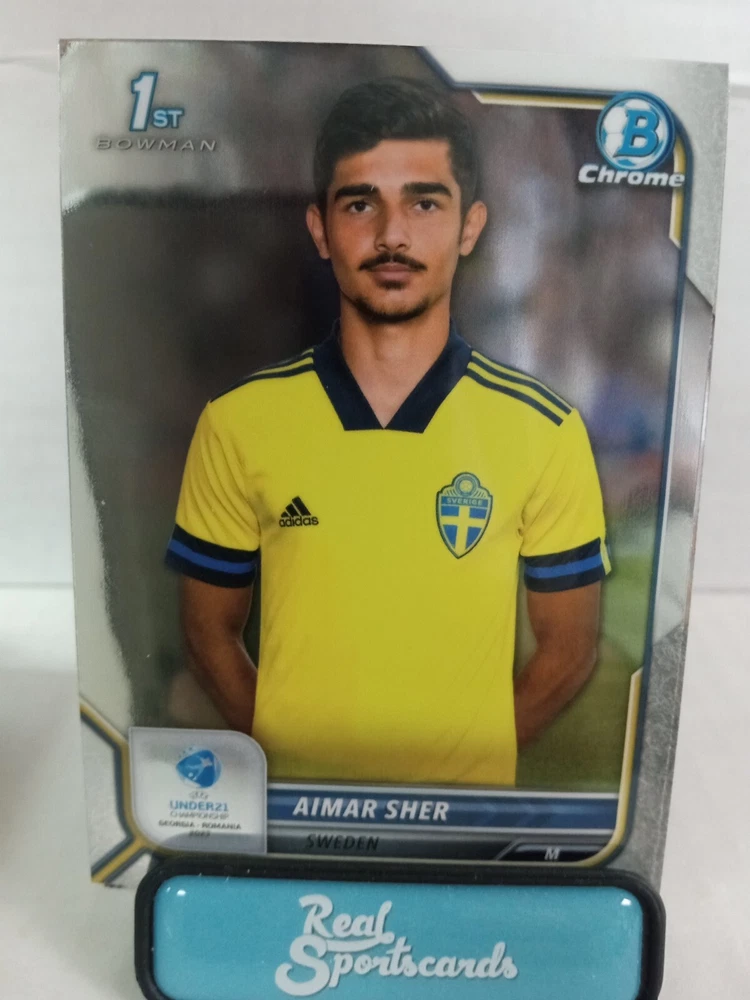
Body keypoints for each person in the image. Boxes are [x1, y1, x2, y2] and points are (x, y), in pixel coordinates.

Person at [165, 77, 610, 788]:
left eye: (424, 203)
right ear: (321, 229)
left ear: (470, 226)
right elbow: (206, 632)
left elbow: (570, 649)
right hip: (298, 817)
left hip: (459, 822)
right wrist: (292, 760)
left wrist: (461, 769)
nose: (391, 235)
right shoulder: (238, 423)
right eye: (360, 203)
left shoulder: (545, 430)